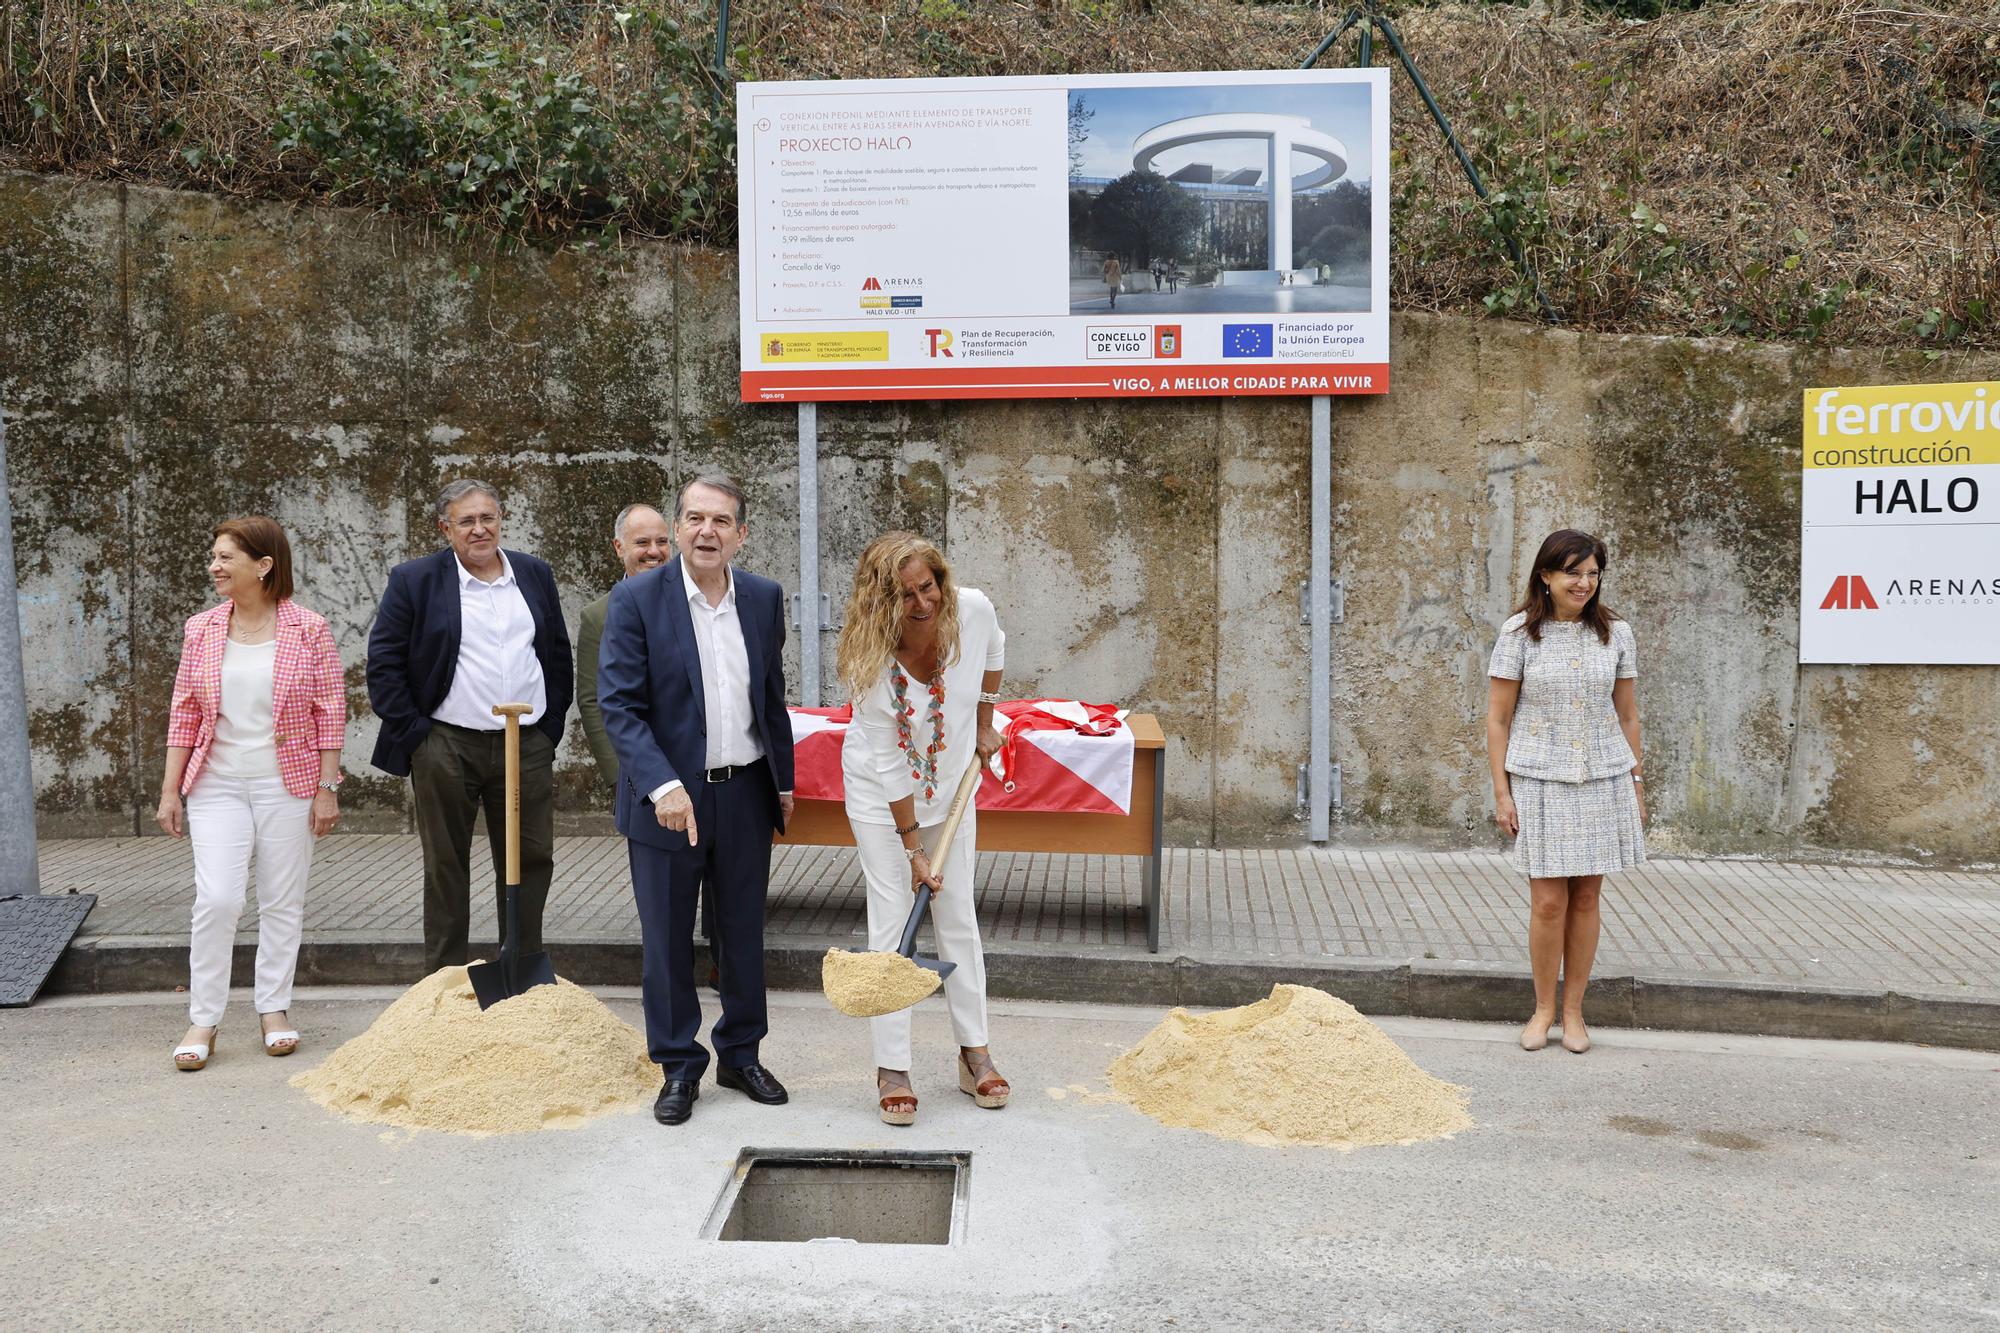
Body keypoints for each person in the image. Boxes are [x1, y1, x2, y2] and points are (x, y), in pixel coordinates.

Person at [597, 474, 796, 1127]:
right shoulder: (636, 599)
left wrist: (784, 781)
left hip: (743, 792)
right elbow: (619, 707)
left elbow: (770, 697)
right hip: (667, 803)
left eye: (720, 520)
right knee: (666, 940)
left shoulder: (764, 599)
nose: (705, 531)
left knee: (742, 934)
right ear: (679, 528)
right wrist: (663, 784)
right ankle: (679, 1066)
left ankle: (740, 1053)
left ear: (742, 533)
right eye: (694, 518)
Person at [834, 531, 1010, 1125]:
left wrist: (986, 721)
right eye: (905, 595)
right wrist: (913, 849)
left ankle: (974, 1053)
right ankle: (893, 1066)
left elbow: (993, 655)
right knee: (892, 924)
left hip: (954, 788)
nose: (922, 604)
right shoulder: (870, 661)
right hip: (883, 802)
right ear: (883, 602)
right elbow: (887, 762)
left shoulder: (973, 608)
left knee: (956, 916)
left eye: (927, 586)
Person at [158, 517, 345, 1070]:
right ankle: (203, 1018)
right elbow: (184, 713)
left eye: (225, 558)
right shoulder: (202, 628)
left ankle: (274, 1009)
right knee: (217, 900)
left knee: (282, 901)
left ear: (263, 566)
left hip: (287, 782)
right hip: (215, 783)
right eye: (213, 557)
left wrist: (327, 788)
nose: (214, 567)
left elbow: (330, 712)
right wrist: (171, 791)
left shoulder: (308, 628)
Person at [366, 479, 573, 976]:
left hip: (524, 742)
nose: (480, 530)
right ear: (446, 527)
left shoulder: (533, 573)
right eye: (467, 521)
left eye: (488, 518)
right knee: (446, 866)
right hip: (446, 743)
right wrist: (419, 737)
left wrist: (548, 727)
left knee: (530, 858)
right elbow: (383, 665)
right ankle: (443, 981)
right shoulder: (415, 580)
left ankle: (520, 971)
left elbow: (557, 653)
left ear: (501, 520)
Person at [1486, 529, 1646, 1055]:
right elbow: (1498, 719)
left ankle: (1575, 1012)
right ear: (1546, 576)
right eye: (1573, 572)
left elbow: (1626, 715)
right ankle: (1543, 1010)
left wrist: (1637, 783)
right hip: (1538, 780)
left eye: (1593, 573)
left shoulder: (1615, 633)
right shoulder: (1518, 634)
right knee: (1549, 901)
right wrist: (1502, 793)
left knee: (1586, 898)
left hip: (1602, 778)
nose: (1584, 583)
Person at [576, 503, 674, 790]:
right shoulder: (598, 617)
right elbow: (593, 701)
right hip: (637, 771)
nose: (654, 551)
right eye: (642, 542)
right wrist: (621, 777)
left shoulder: (695, 603)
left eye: (662, 542)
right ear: (619, 547)